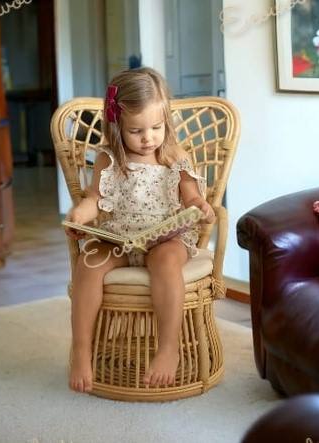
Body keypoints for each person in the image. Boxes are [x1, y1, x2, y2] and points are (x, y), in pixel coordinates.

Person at [64, 67, 216, 393]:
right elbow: (95, 199)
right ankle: (81, 349)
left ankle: (168, 348)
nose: (148, 138)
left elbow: (191, 197)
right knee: (88, 264)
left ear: (166, 122)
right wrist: (79, 215)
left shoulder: (174, 156)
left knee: (165, 261)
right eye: (136, 131)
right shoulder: (108, 159)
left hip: (166, 239)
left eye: (156, 127)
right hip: (120, 238)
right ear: (116, 126)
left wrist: (200, 207)